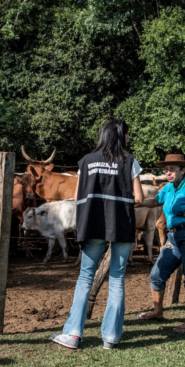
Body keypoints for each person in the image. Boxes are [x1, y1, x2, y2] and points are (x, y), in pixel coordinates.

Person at [51, 119, 144, 350]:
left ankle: (73, 334)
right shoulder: (130, 161)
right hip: (120, 225)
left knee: (85, 277)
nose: (128, 139)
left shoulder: (86, 161)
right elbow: (139, 198)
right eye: (127, 134)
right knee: (117, 278)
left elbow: (76, 198)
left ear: (103, 135)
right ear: (121, 135)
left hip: (92, 225)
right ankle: (111, 337)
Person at [136, 154, 185, 334]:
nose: (168, 173)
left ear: (183, 170)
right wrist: (136, 202)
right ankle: (158, 311)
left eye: (172, 169)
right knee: (156, 275)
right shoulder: (168, 188)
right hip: (174, 237)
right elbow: (155, 201)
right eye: (166, 170)